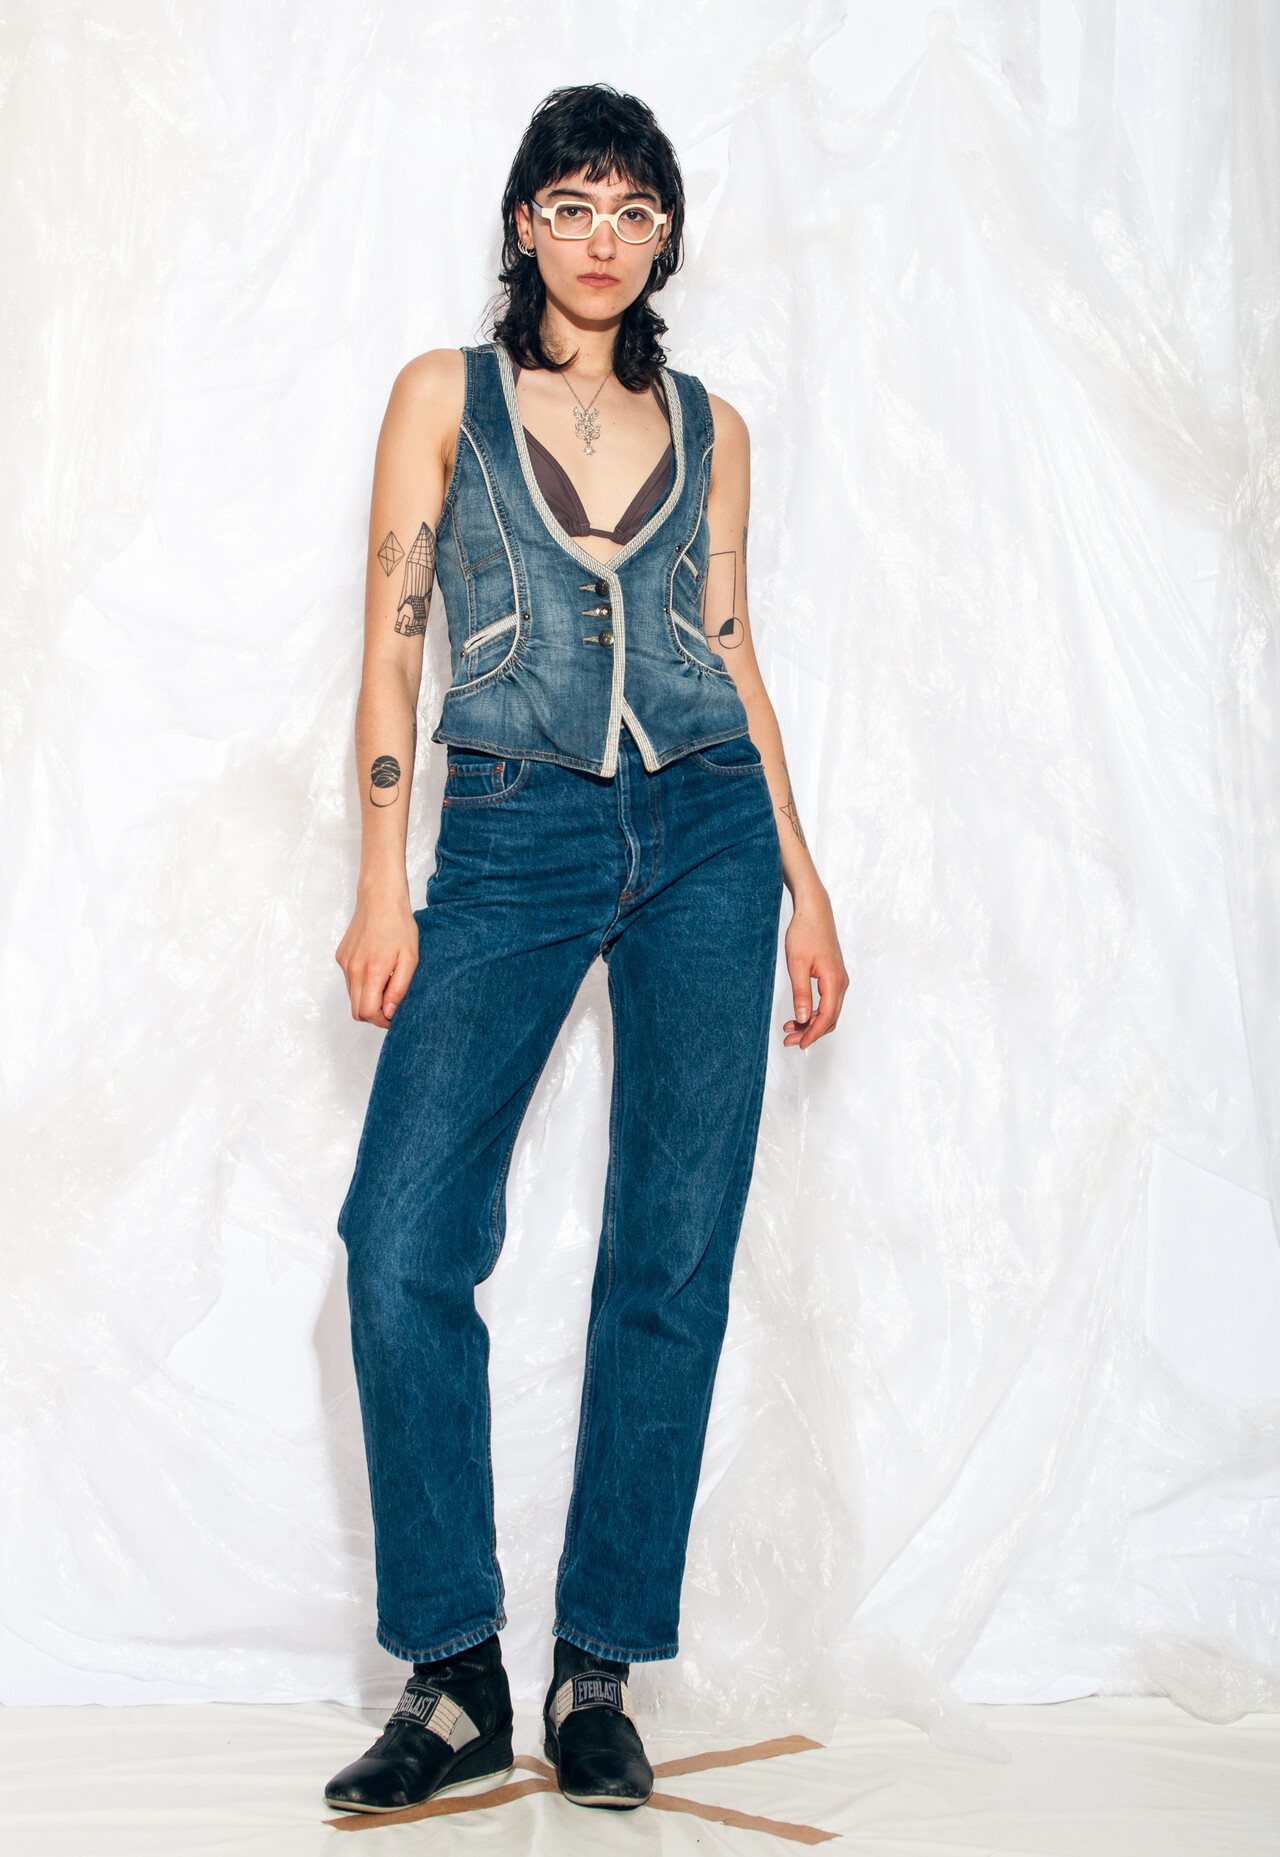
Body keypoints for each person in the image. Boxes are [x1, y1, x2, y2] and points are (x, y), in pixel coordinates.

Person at [325, 82, 848, 1816]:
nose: (602, 236)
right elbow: (393, 646)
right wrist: (382, 879)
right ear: (523, 224)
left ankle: (600, 1664)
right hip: (513, 828)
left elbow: (730, 645)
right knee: (401, 1241)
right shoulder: (445, 396)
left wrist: (803, 875)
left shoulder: (714, 425)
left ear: (666, 233)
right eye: (572, 204)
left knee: (671, 1254)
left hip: (710, 836)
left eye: (633, 208)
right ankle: (457, 1670)